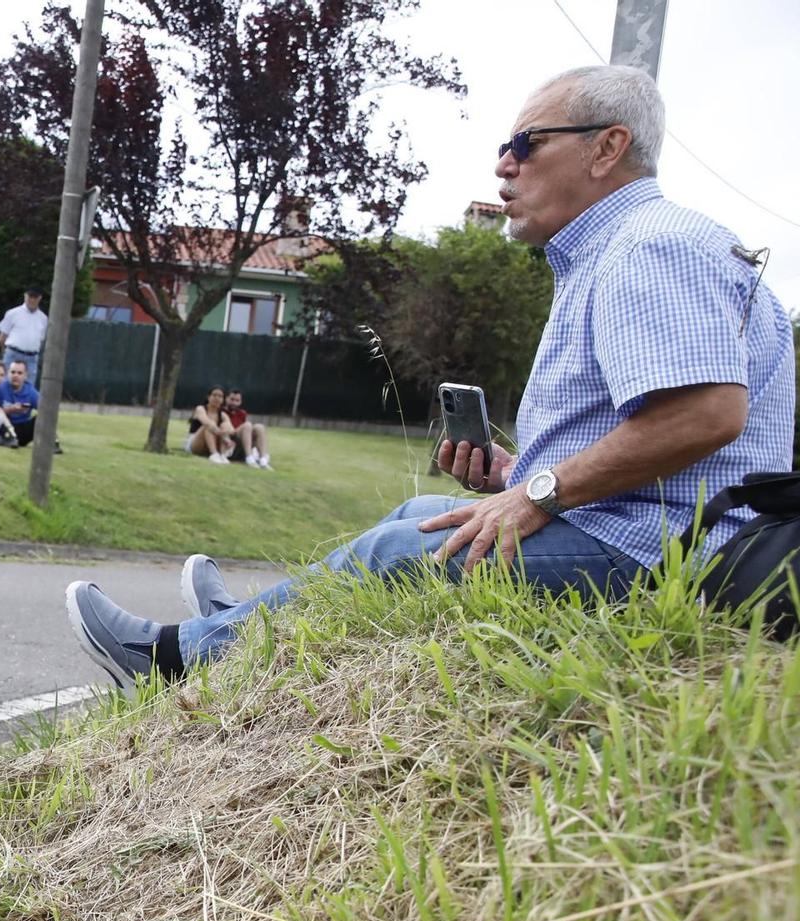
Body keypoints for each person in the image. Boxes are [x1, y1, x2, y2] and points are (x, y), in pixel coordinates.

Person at [67, 63, 794, 691]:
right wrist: (522, 473)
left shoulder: (650, 246)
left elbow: (706, 415)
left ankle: (174, 659)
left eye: (526, 144)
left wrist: (539, 492)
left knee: (393, 552)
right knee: (413, 515)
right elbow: (656, 426)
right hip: (635, 525)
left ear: (609, 147)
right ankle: (233, 628)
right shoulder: (627, 250)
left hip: (660, 556)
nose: (504, 165)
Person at [0, 288, 49, 383]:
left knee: (28, 386)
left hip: (32, 357)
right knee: (6, 383)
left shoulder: (43, 318)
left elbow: (41, 339)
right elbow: (2, 337)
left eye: (35, 297)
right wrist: (5, 352)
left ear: (39, 298)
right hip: (13, 354)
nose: (32, 300)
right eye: (30, 297)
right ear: (25, 296)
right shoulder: (13, 313)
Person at [0, 359, 41, 449]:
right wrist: (11, 410)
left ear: (25, 376)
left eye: (19, 373)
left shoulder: (31, 392)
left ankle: (52, 443)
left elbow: (46, 411)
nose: (15, 375)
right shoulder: (0, 389)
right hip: (4, 427)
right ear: (8, 374)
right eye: (13, 372)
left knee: (42, 418)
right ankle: (9, 439)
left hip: (22, 429)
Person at [185, 387, 239, 464]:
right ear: (208, 397)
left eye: (220, 396)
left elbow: (232, 430)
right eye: (214, 395)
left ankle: (223, 455)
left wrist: (224, 433)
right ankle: (214, 454)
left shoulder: (223, 414)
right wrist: (220, 433)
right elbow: (206, 422)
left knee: (224, 425)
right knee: (209, 425)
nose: (216, 398)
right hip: (195, 443)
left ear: (223, 399)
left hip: (213, 441)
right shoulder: (200, 409)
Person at [225, 390, 271, 469]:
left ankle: (263, 459)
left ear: (240, 402)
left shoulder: (242, 413)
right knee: (247, 425)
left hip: (241, 442)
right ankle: (249, 458)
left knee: (259, 427)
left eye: (237, 400)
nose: (234, 403)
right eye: (232, 399)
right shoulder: (222, 412)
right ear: (226, 399)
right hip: (230, 443)